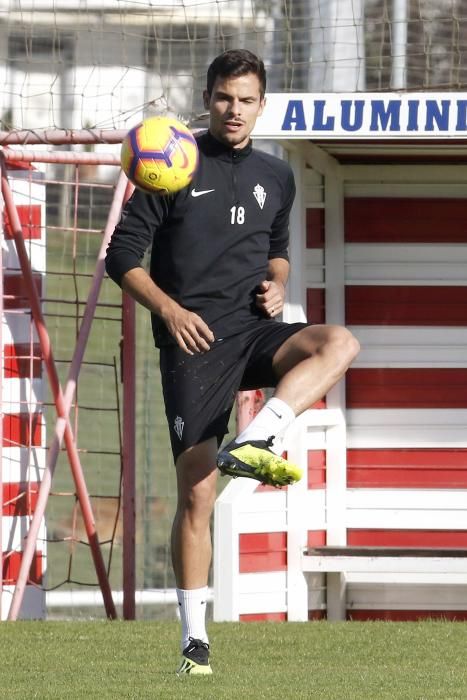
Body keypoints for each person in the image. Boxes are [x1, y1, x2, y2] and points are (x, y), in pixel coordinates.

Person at [105, 48, 359, 676]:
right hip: (193, 346)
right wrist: (169, 312)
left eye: (246, 100)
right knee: (198, 496)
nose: (234, 109)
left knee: (341, 342)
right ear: (209, 99)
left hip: (254, 333)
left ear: (261, 104)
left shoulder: (279, 174)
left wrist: (278, 282)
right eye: (224, 97)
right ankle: (195, 643)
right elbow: (121, 258)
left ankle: (260, 435)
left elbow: (275, 253)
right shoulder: (171, 164)